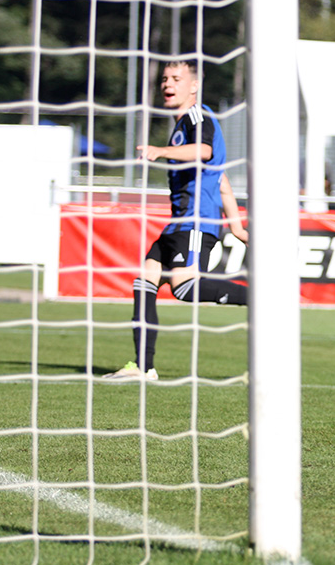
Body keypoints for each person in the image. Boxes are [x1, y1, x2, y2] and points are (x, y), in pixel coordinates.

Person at [107, 59, 249, 380]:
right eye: (165, 78)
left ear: (193, 86)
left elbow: (205, 151)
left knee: (183, 288)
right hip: (179, 222)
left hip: (196, 222)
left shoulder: (197, 117)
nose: (168, 84)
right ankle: (143, 368)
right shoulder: (181, 124)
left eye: (176, 78)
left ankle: (260, 297)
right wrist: (238, 227)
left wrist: (160, 151)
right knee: (145, 280)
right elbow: (222, 181)